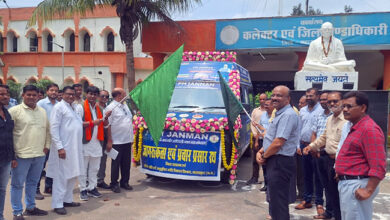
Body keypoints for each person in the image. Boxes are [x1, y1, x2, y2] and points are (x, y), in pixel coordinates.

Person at [335, 91, 386, 220]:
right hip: (348, 183)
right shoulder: (354, 127)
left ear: (363, 108)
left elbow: (378, 164)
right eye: (343, 106)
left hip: (357, 185)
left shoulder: (369, 130)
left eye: (349, 106)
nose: (345, 110)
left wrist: (368, 190)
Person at [257, 85, 299, 220]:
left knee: (279, 202)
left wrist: (264, 155)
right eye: (274, 95)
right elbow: (271, 136)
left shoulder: (288, 115)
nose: (275, 98)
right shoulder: (279, 113)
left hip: (280, 162)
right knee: (274, 200)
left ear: (288, 99)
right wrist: (262, 150)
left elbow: (278, 142)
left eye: (279, 96)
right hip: (274, 160)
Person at [9, 85, 50, 219]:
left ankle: (31, 207)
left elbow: (47, 131)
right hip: (21, 155)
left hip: (39, 155)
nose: (32, 97)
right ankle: (17, 212)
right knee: (17, 184)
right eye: (29, 95)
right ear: (23, 95)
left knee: (33, 182)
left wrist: (46, 146)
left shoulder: (42, 111)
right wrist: (12, 155)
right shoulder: (14, 111)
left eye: (34, 95)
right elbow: (7, 134)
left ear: (38, 96)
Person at [304, 92, 346, 220]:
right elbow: (323, 137)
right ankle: (329, 213)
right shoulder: (330, 119)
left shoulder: (346, 121)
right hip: (326, 159)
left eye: (335, 101)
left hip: (338, 162)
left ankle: (338, 216)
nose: (332, 104)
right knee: (328, 190)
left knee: (338, 195)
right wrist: (311, 146)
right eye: (330, 102)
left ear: (342, 101)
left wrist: (340, 166)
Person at [47, 86, 83, 215]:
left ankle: (67, 200)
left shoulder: (73, 107)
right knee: (61, 176)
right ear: (62, 94)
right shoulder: (59, 107)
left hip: (75, 148)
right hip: (64, 149)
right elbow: (54, 129)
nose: (71, 96)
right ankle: (57, 203)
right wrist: (60, 147)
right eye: (68, 94)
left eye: (73, 94)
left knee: (73, 174)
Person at [296, 88, 324, 212]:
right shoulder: (302, 110)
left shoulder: (322, 111)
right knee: (306, 174)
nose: (308, 98)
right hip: (303, 146)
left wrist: (315, 147)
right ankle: (307, 200)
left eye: (311, 96)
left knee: (318, 176)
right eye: (307, 96)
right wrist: (297, 145)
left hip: (316, 147)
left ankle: (319, 202)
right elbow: (298, 129)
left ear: (317, 96)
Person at [78, 86, 109, 201]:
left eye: (94, 94)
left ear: (97, 96)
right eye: (90, 94)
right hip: (85, 142)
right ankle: (82, 189)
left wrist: (106, 119)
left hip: (97, 142)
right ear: (86, 94)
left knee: (95, 168)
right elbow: (77, 124)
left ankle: (92, 188)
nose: (92, 96)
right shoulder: (80, 107)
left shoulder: (99, 109)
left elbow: (104, 125)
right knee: (83, 168)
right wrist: (92, 123)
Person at [105, 88, 134, 193]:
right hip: (116, 141)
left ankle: (125, 182)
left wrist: (131, 137)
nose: (126, 95)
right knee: (115, 164)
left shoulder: (124, 105)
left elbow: (128, 121)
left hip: (127, 140)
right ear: (119, 96)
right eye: (124, 94)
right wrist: (109, 140)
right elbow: (108, 125)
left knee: (126, 163)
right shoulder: (111, 107)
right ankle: (114, 183)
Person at [36, 83, 59, 199]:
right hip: (44, 138)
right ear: (47, 92)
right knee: (41, 164)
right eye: (51, 90)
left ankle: (49, 186)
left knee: (53, 164)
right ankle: (36, 188)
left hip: (56, 139)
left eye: (56, 90)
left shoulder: (60, 105)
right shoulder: (41, 103)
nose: (54, 92)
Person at [0, 85, 16, 220]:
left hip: (5, 159)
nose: (6, 97)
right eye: (2, 94)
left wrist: (13, 157)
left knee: (2, 189)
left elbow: (10, 136)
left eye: (7, 94)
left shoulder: (7, 113)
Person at [252, 98, 274, 191]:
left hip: (271, 143)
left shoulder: (275, 116)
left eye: (268, 104)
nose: (266, 106)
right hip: (262, 142)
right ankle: (266, 184)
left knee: (270, 164)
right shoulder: (263, 115)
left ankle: (271, 185)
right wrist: (257, 141)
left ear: (273, 106)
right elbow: (258, 129)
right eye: (265, 104)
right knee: (263, 164)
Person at [247, 93, 267, 185]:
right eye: (260, 99)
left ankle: (266, 180)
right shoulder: (255, 110)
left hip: (265, 138)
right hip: (256, 137)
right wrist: (255, 134)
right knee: (255, 159)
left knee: (264, 159)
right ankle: (254, 177)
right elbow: (252, 123)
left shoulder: (269, 111)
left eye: (264, 99)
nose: (262, 101)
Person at [97, 90, 111, 189]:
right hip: (95, 138)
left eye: (106, 97)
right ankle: (90, 183)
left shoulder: (107, 108)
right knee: (93, 161)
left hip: (105, 137)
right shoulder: (95, 107)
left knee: (103, 160)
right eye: (102, 96)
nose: (104, 98)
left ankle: (100, 180)